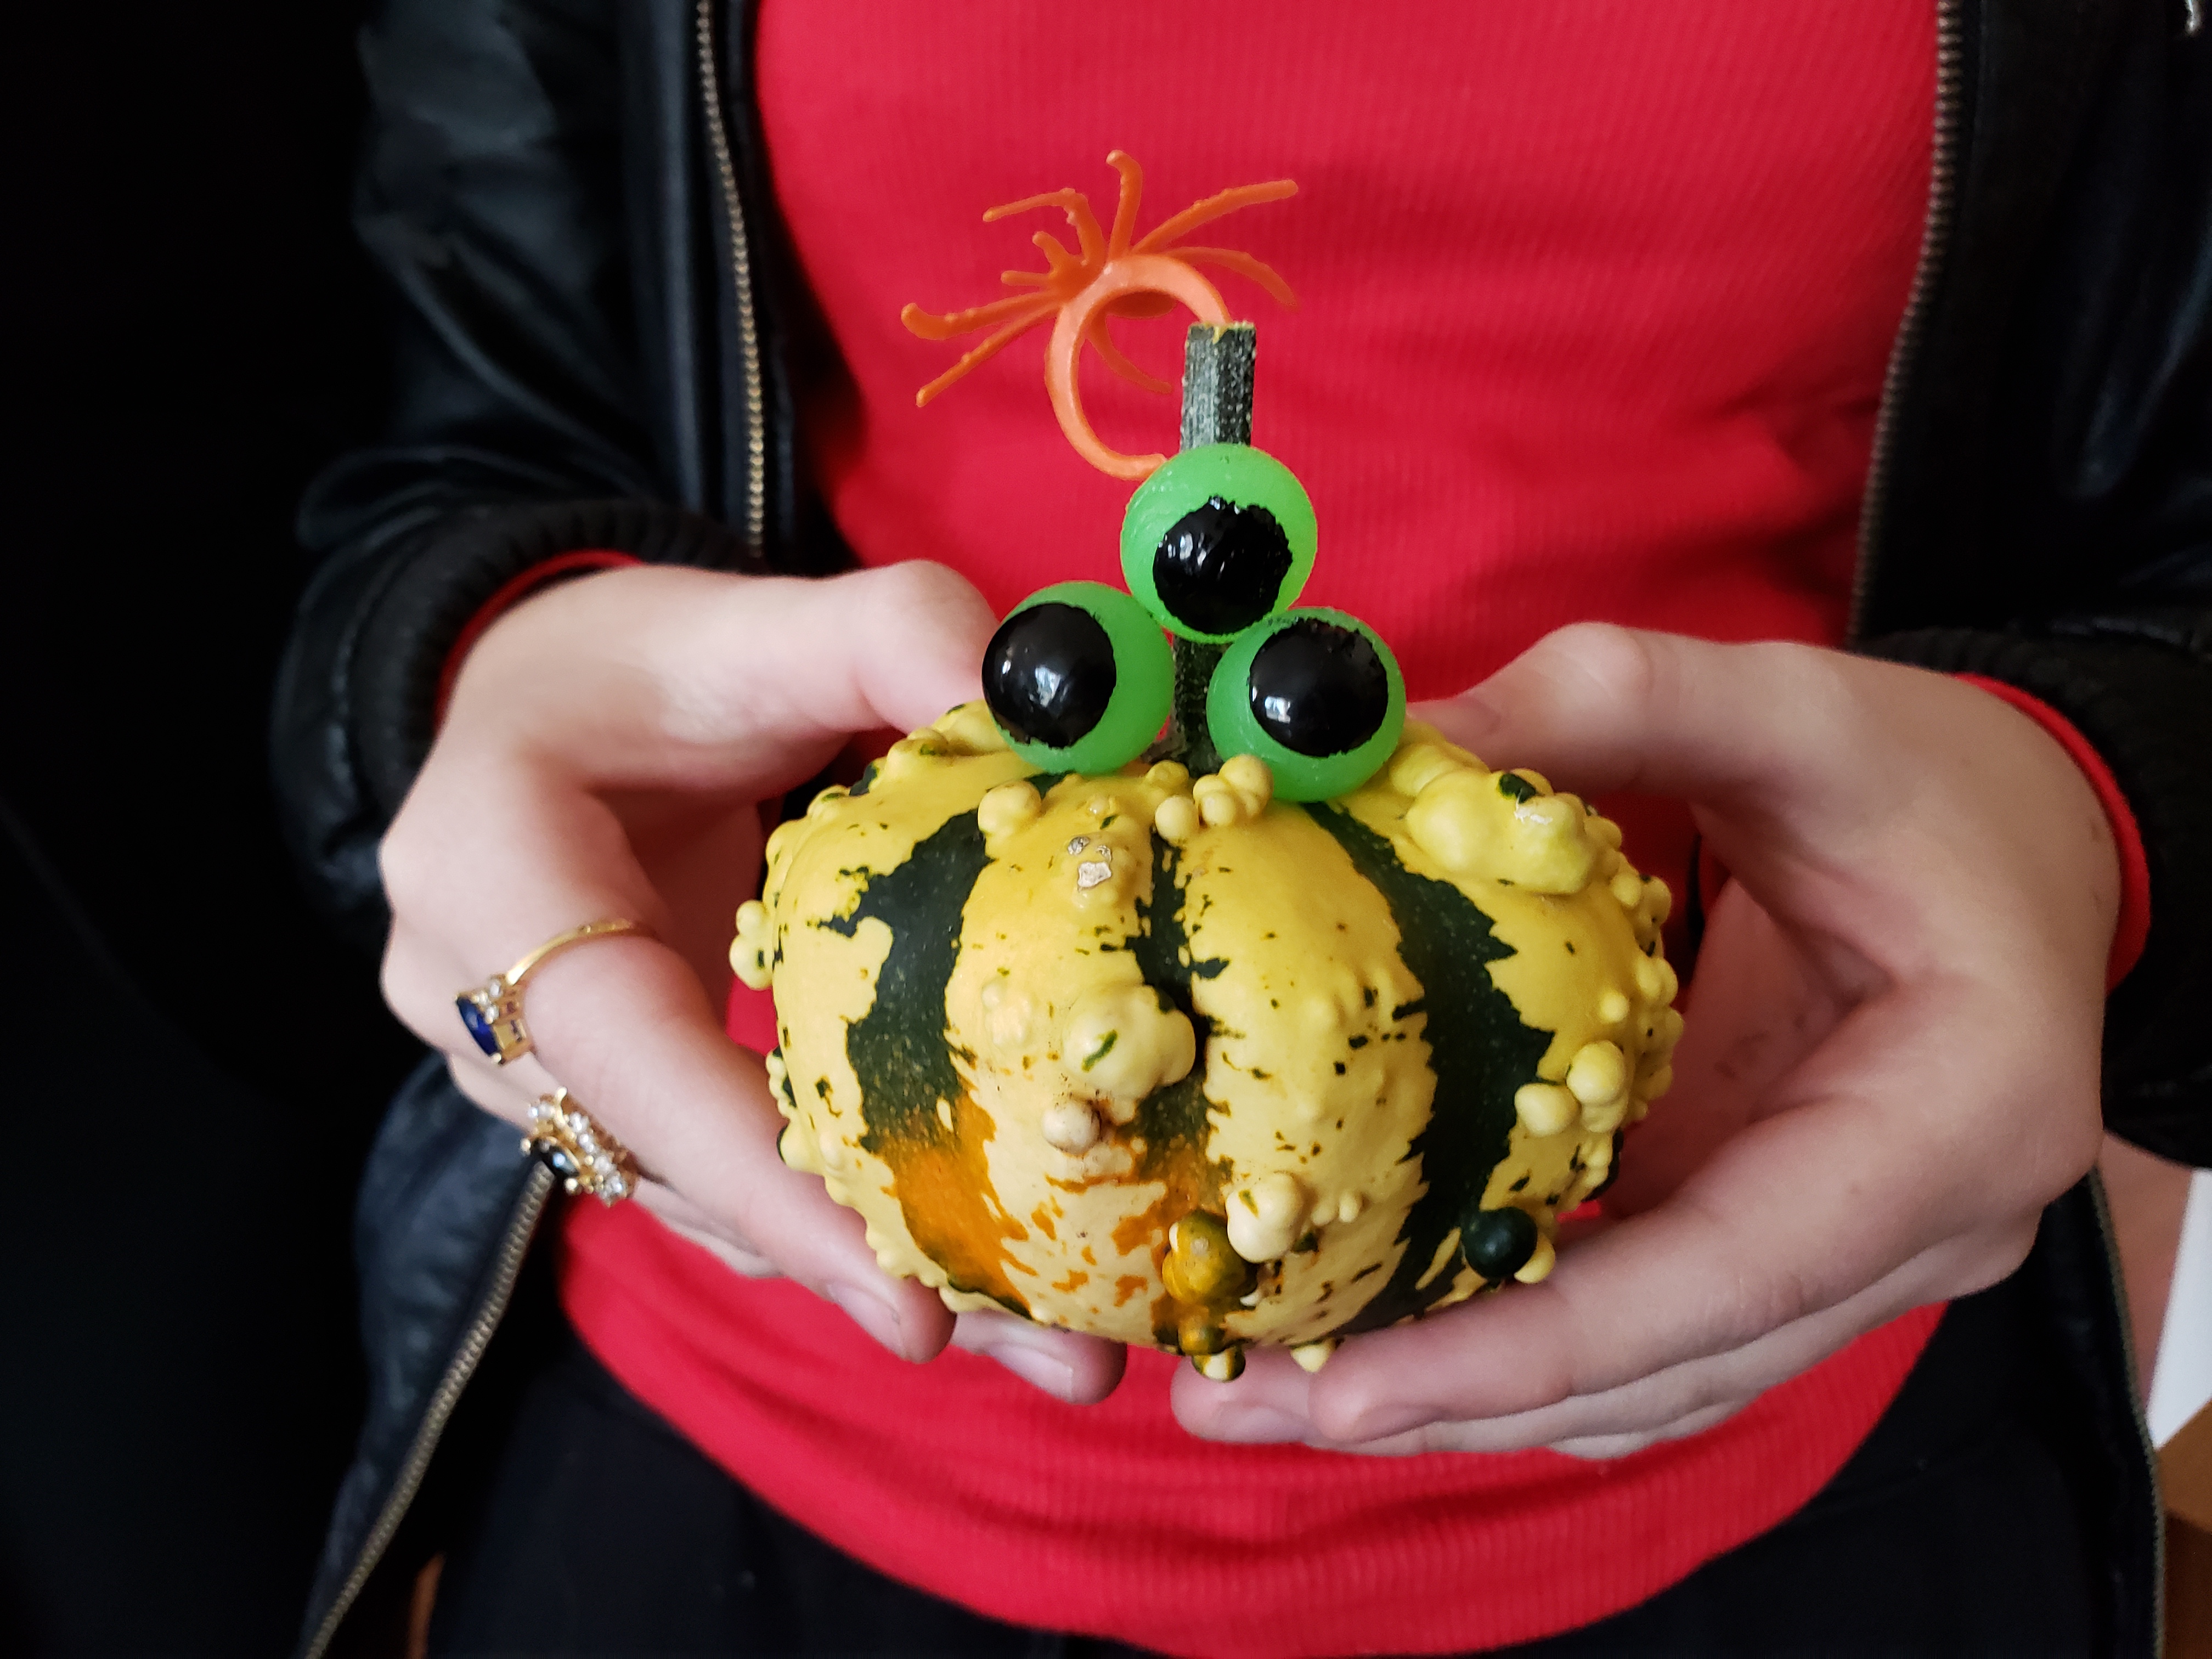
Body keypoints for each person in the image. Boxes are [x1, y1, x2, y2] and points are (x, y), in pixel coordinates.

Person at [281, 3, 2211, 1655]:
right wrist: (474, 664)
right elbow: (468, 435)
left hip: (1796, 1438)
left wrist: (2097, 805)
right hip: (729, 1415)